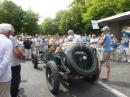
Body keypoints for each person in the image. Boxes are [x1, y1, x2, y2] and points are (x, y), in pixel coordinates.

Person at [0, 23, 14, 97]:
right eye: (11, 32)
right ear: (8, 32)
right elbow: (6, 61)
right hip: (3, 78)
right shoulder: (7, 41)